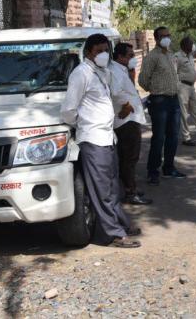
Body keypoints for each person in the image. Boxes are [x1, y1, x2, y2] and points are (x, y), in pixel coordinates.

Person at [61, 33, 140, 248]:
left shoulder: (101, 73)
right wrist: (85, 123)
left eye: (107, 50)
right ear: (88, 53)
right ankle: (112, 234)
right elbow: (68, 110)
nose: (104, 55)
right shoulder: (81, 74)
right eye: (99, 51)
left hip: (107, 137)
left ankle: (120, 223)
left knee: (112, 186)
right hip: (93, 138)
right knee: (102, 190)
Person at [138, 26, 186, 185]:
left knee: (173, 135)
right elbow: (143, 79)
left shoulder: (171, 55)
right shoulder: (152, 57)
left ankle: (169, 167)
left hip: (174, 100)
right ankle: (153, 171)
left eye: (169, 35)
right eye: (163, 36)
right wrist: (155, 90)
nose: (167, 38)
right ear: (157, 39)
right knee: (159, 137)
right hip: (159, 101)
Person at [109, 42, 152, 206]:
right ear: (120, 57)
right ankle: (130, 192)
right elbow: (116, 92)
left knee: (130, 158)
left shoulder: (122, 70)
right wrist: (127, 105)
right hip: (126, 120)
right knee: (129, 158)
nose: (133, 58)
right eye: (130, 56)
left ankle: (130, 187)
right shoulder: (115, 71)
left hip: (131, 118)